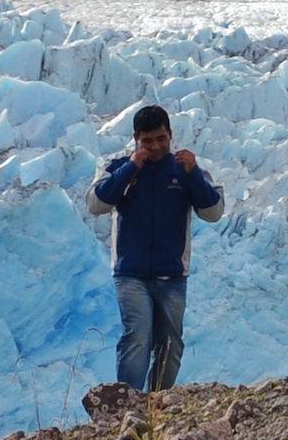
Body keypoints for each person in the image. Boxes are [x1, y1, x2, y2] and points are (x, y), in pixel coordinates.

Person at [89, 104, 223, 391]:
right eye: (147, 140)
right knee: (137, 336)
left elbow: (213, 212)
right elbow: (96, 204)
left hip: (172, 274)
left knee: (171, 344)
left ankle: (158, 403)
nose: (156, 146)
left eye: (161, 138)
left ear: (170, 135)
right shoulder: (116, 167)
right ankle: (128, 404)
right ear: (136, 138)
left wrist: (193, 175)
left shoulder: (185, 169)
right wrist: (130, 169)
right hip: (130, 273)